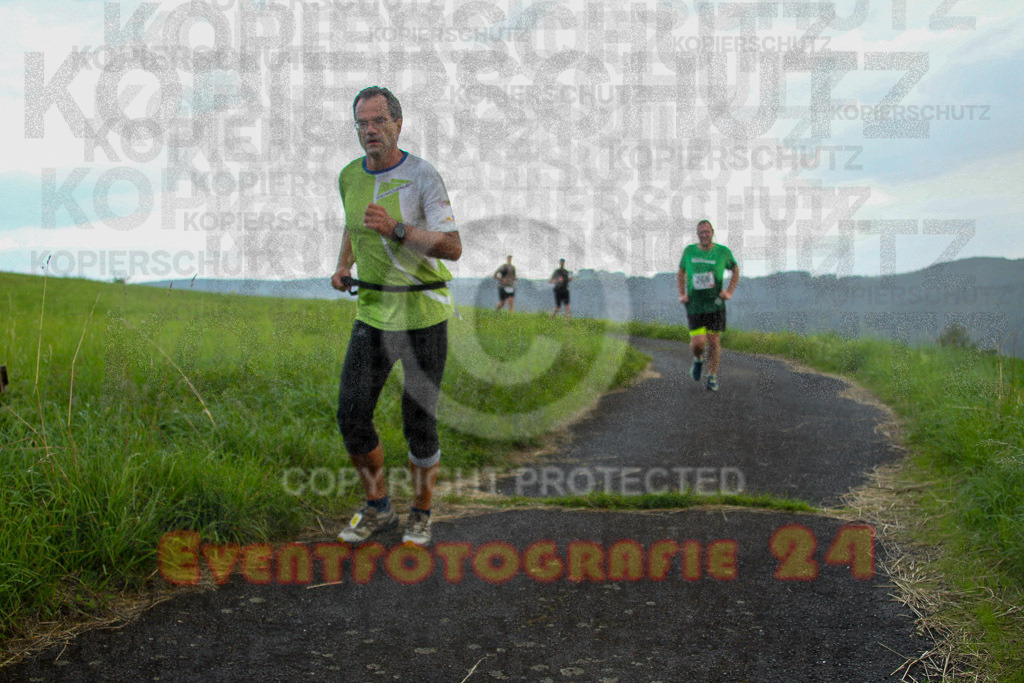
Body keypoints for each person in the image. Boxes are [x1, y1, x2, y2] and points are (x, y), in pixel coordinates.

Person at [330, 86, 462, 546]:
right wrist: (344, 265)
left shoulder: (424, 175)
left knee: (417, 421)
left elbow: (453, 247)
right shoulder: (348, 176)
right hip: (373, 313)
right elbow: (352, 225)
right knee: (351, 415)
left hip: (423, 313)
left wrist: (397, 229)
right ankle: (378, 506)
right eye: (361, 124)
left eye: (378, 121)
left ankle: (421, 513)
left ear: (398, 124)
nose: (369, 131)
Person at [677, 220, 738, 391]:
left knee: (713, 340)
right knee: (698, 344)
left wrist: (729, 292)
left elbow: (735, 270)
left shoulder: (722, 252)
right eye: (701, 232)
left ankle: (712, 376)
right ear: (698, 234)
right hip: (695, 305)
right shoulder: (689, 251)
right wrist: (682, 294)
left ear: (712, 232)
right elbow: (681, 272)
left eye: (707, 232)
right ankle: (698, 360)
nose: (704, 235)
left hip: (715, 305)